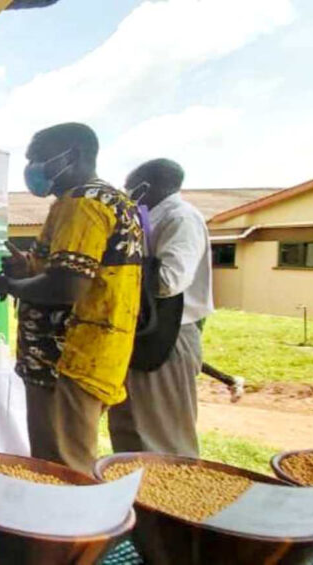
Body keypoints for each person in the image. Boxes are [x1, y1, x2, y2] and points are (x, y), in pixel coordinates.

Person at [0, 122, 143, 473]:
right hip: (93, 351)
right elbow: (82, 269)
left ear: (74, 155)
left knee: (63, 466)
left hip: (67, 357)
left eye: (39, 158)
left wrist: (11, 287)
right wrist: (30, 268)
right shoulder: (111, 199)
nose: (32, 168)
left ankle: (66, 526)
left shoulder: (83, 204)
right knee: (65, 458)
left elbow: (68, 287)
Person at [109, 158, 212, 457]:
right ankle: (136, 497)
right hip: (142, 332)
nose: (127, 193)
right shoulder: (149, 218)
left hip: (168, 336)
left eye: (130, 187)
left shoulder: (180, 218)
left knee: (162, 436)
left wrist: (116, 266)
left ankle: (171, 499)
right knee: (130, 427)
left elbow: (169, 280)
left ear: (147, 186)